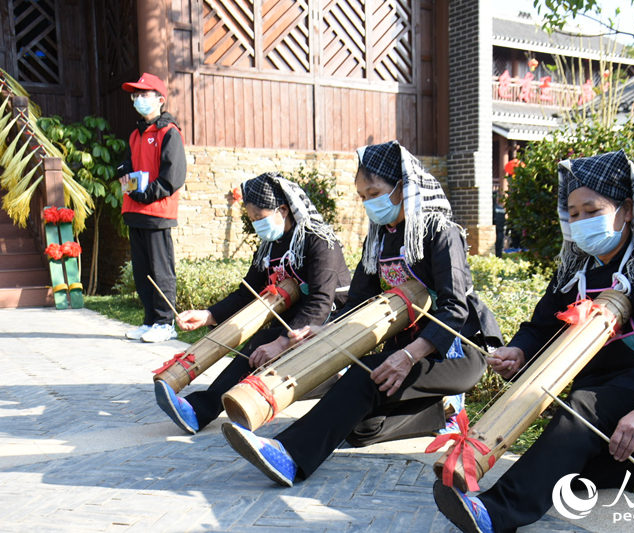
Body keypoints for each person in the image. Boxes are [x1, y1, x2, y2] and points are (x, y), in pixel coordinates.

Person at [433, 150, 634, 533]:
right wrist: (518, 350)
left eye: (592, 209)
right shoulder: (576, 273)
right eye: (574, 213)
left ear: (628, 209)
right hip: (608, 392)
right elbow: (540, 326)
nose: (581, 221)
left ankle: (496, 514)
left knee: (581, 412)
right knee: (577, 461)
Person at [220, 140, 503, 486]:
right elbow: (356, 303)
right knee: (358, 428)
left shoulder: (439, 233)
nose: (369, 203)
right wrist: (322, 331)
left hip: (454, 352)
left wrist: (408, 356)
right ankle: (438, 413)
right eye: (363, 196)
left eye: (375, 192)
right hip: (405, 350)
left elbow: (455, 309)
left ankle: (291, 454)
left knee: (362, 379)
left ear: (402, 187)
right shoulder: (379, 240)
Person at [154, 172, 351, 434]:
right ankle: (204, 406)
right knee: (257, 341)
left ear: (282, 209)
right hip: (294, 319)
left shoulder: (318, 241)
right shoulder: (271, 246)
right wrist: (208, 315)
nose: (257, 225)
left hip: (326, 320)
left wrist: (282, 342)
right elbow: (247, 292)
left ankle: (204, 408)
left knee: (261, 345)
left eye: (260, 218)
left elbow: (321, 301)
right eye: (252, 219)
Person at [118, 73, 186, 343]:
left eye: (144, 95)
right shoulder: (136, 134)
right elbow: (128, 164)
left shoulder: (169, 133)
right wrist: (124, 173)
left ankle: (165, 323)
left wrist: (146, 194)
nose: (138, 100)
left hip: (157, 213)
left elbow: (173, 177)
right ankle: (149, 321)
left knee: (161, 270)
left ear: (160, 99)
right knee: (142, 270)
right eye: (135, 96)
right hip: (134, 212)